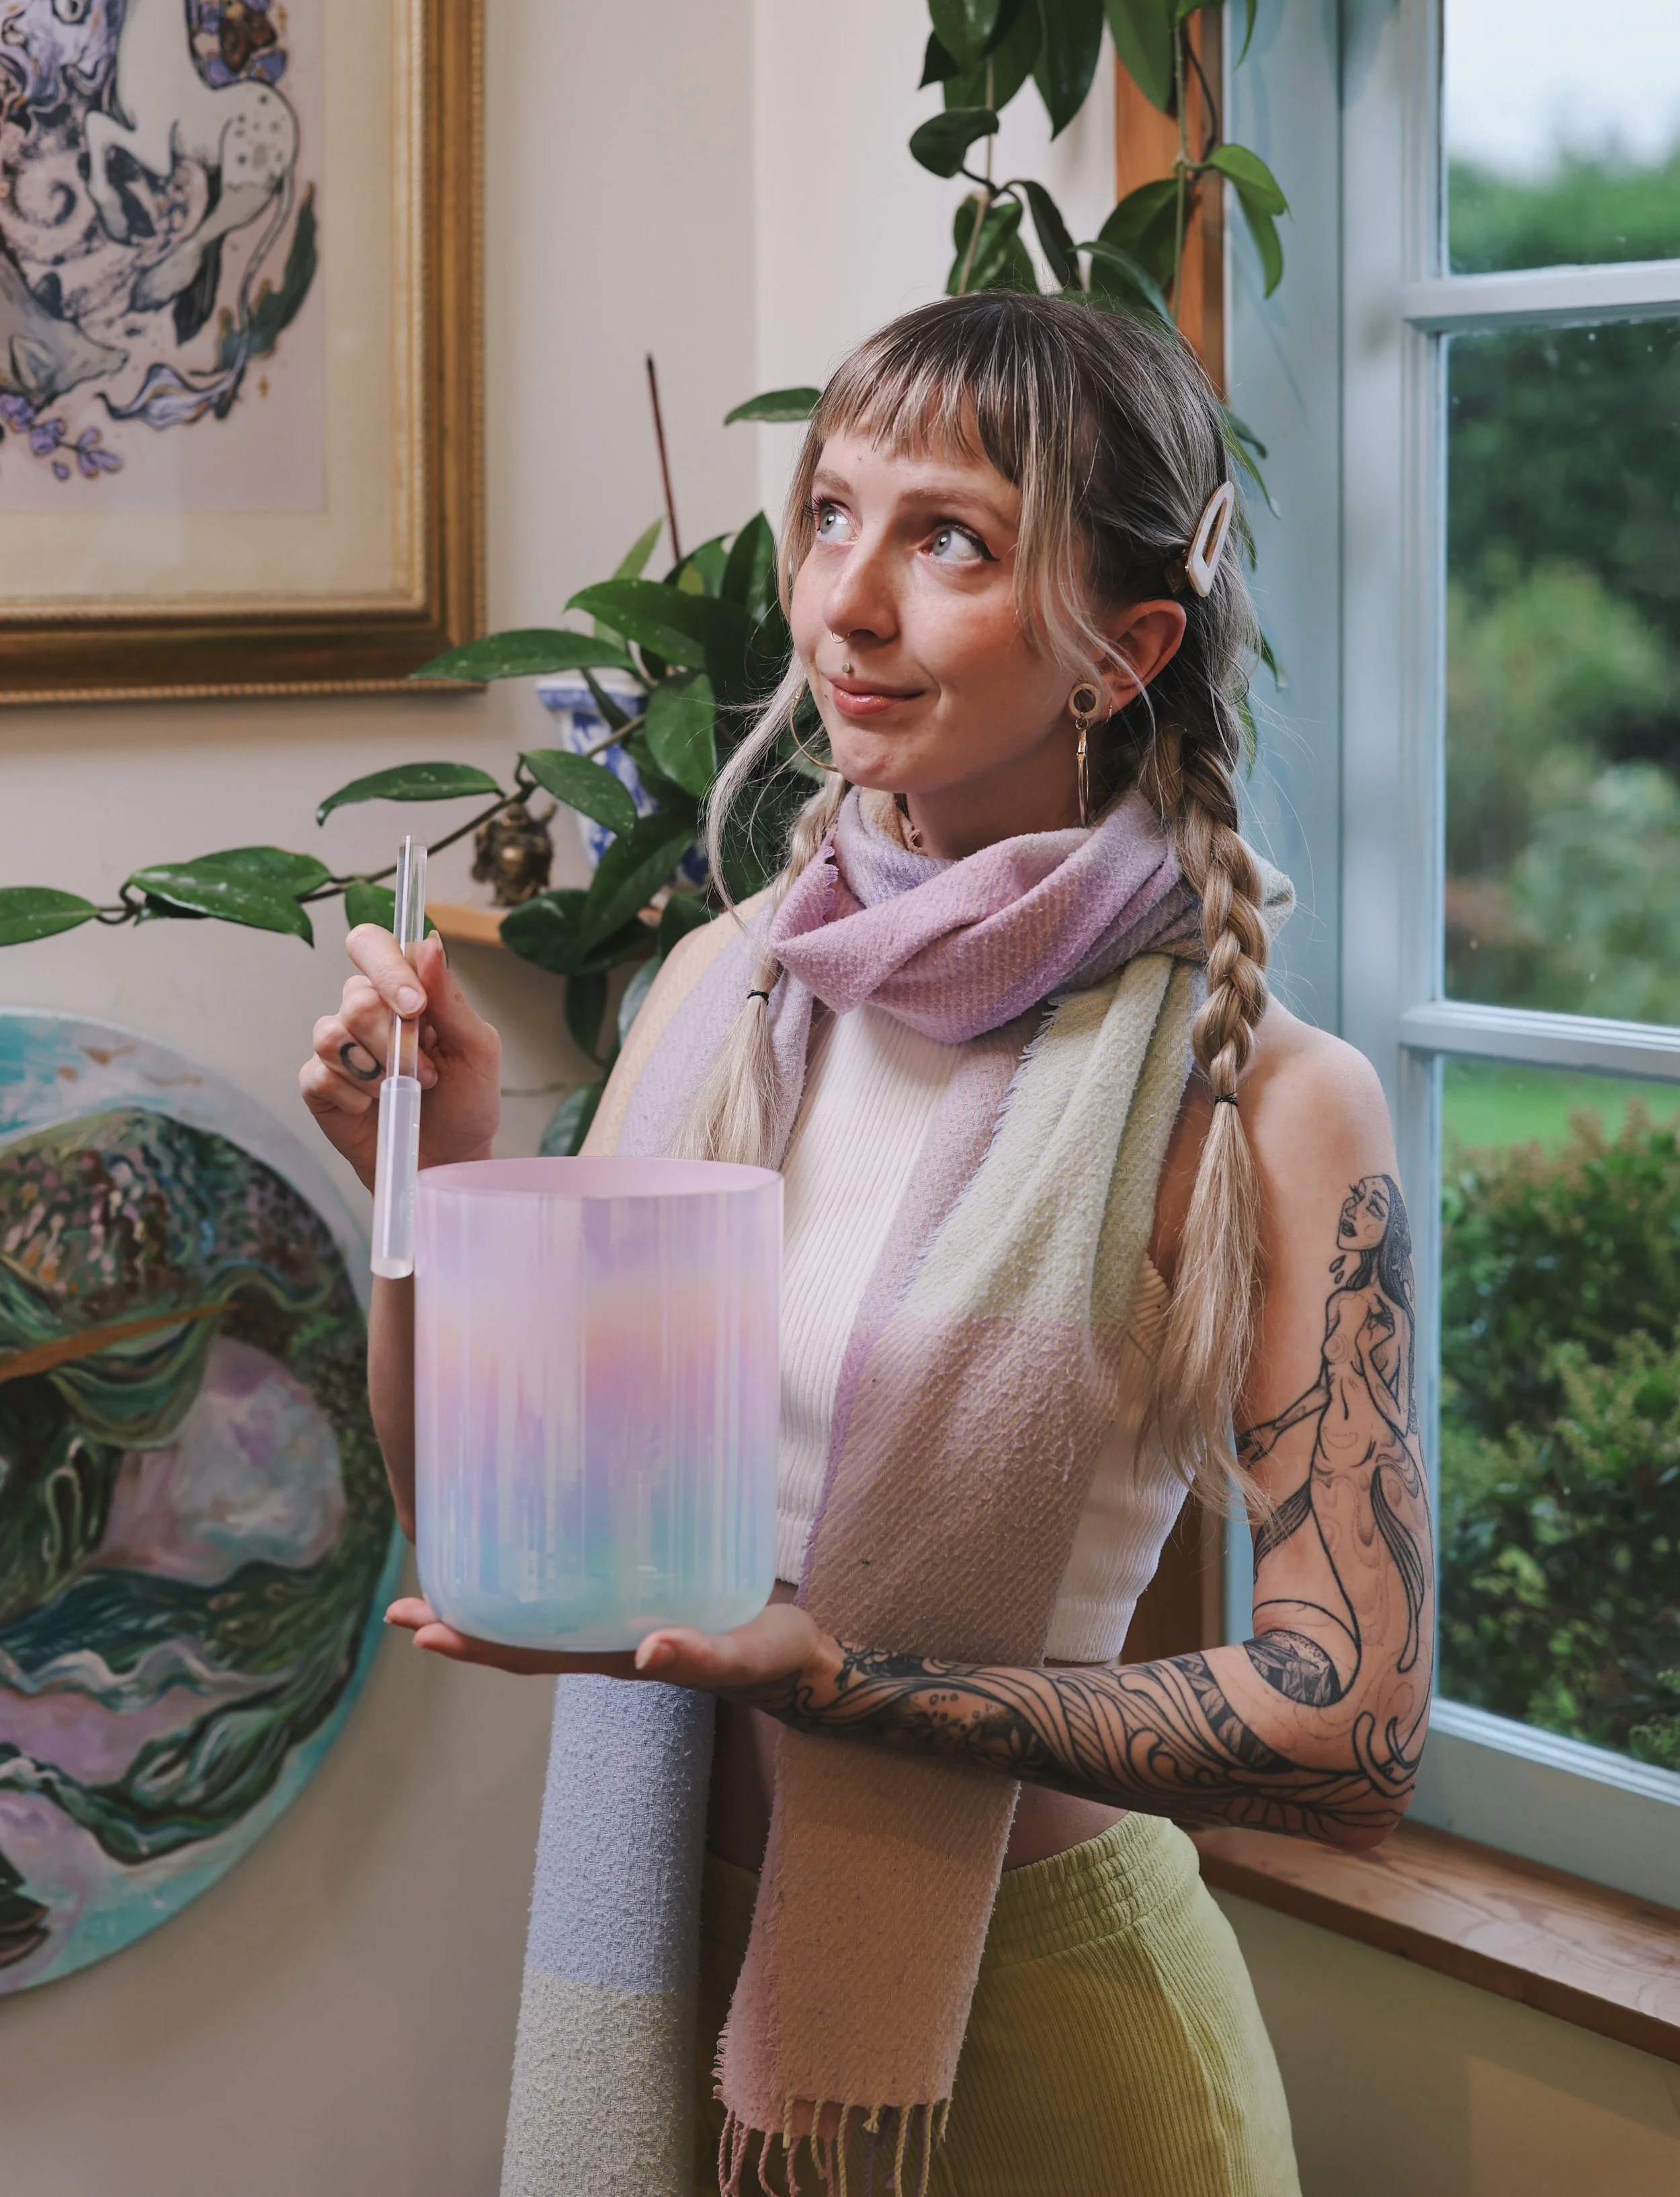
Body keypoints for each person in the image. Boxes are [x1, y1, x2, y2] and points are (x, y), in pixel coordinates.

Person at [300, 295, 1432, 2197]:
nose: (845, 600)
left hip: (1054, 2021)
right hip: (687, 1959)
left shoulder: (1258, 1098)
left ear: (1122, 650)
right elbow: (487, 1534)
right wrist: (433, 1180)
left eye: (952, 540)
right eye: (830, 514)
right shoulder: (712, 994)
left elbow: (1355, 1724)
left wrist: (848, 1683)